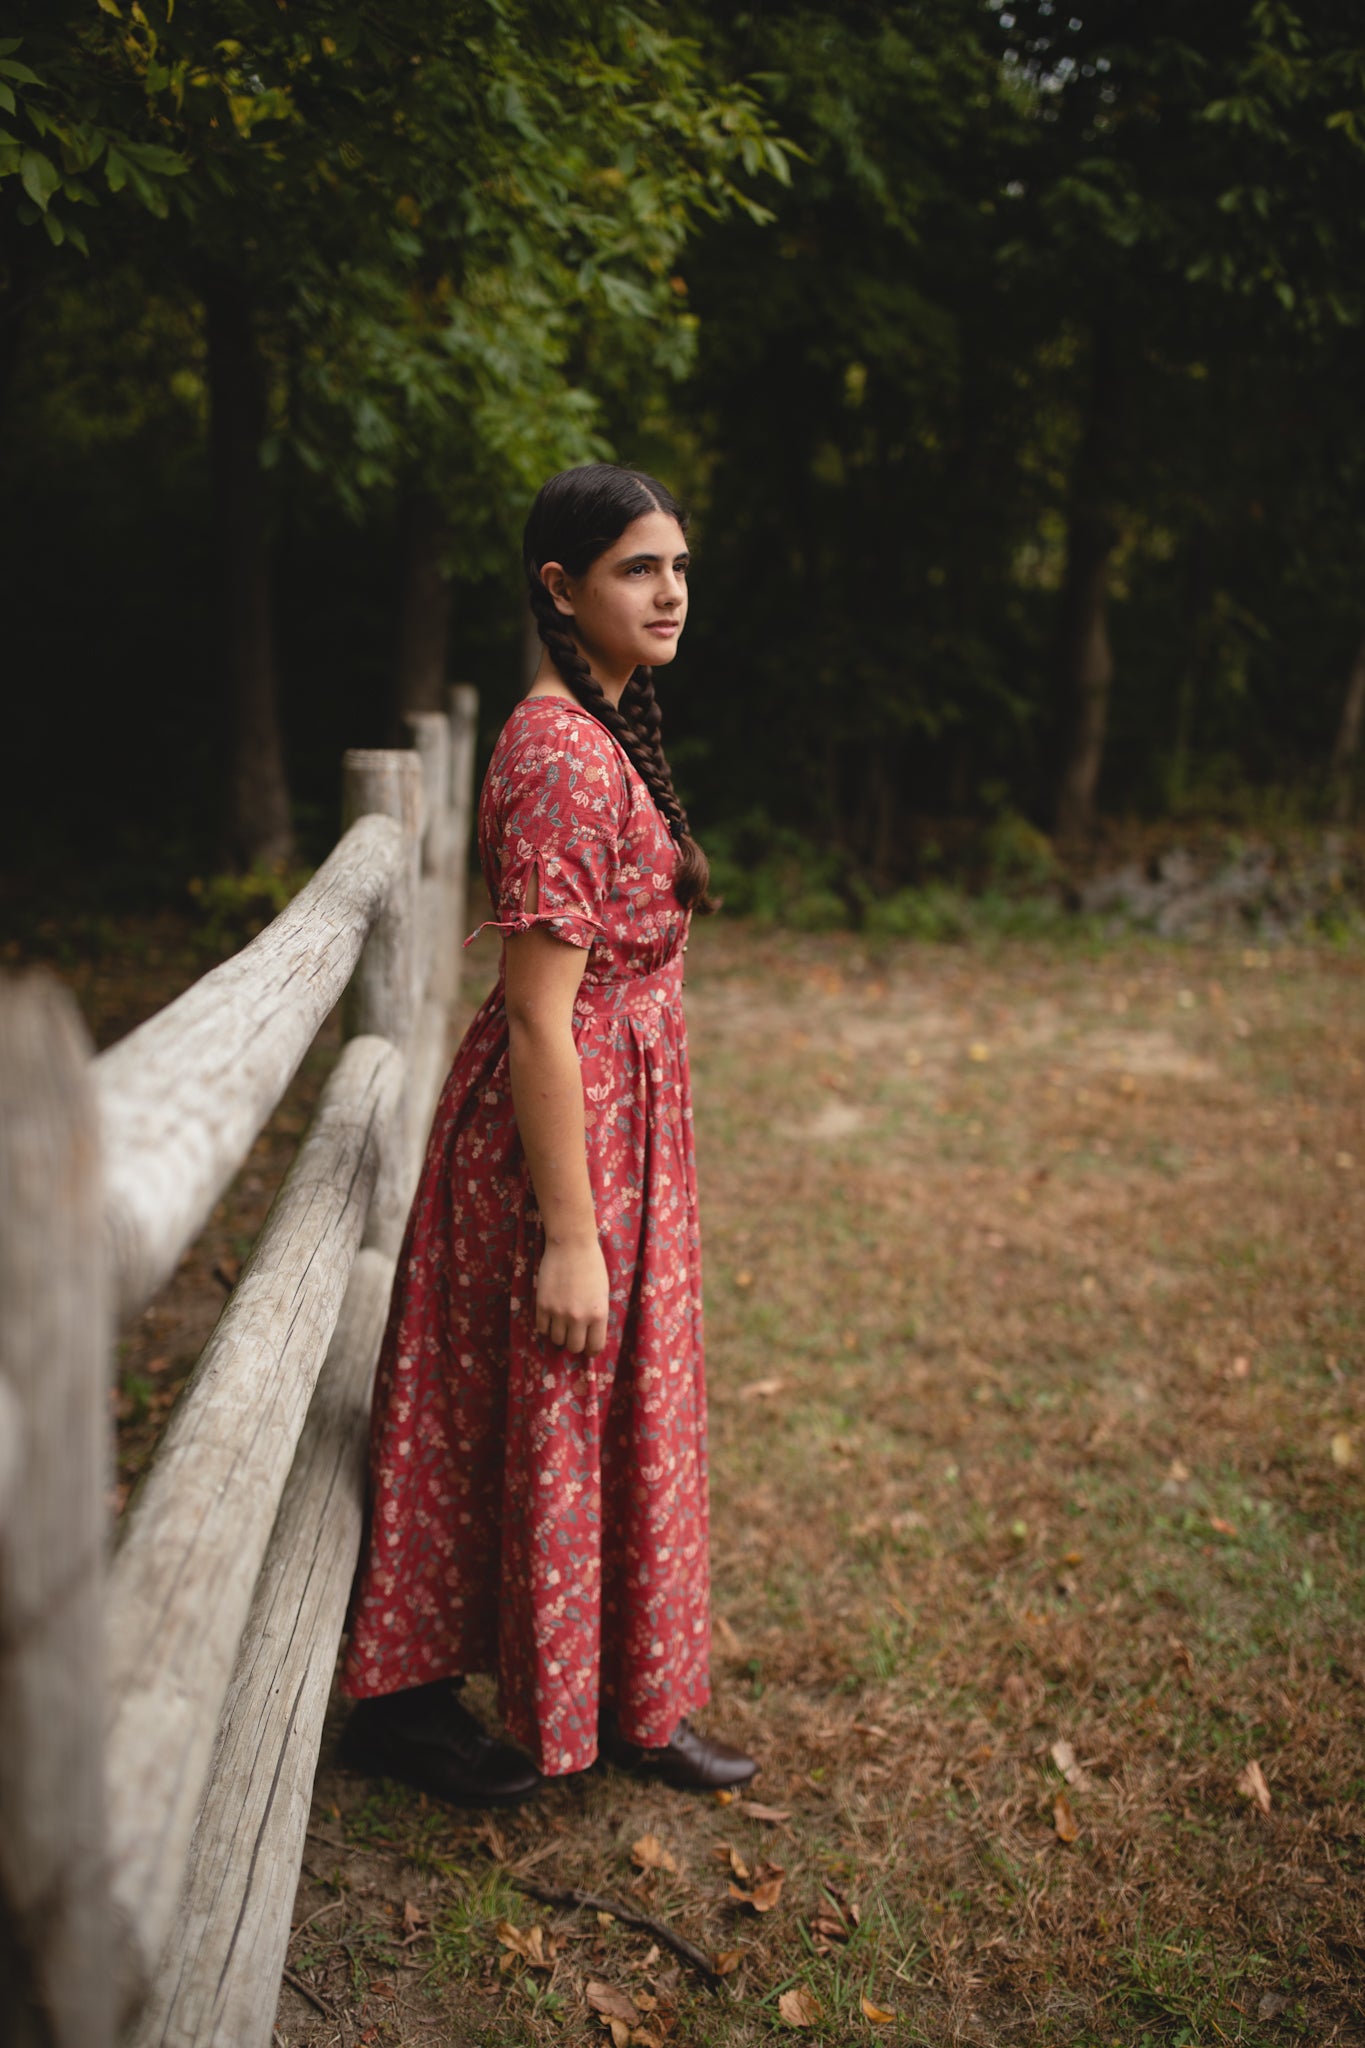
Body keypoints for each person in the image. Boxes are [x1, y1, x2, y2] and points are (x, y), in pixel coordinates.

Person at [338, 463, 757, 1807]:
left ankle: (632, 1693)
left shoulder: (613, 723)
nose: (670, 592)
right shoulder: (559, 753)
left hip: (629, 1122)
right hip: (557, 1142)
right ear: (559, 589)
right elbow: (532, 1015)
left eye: (679, 567)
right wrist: (569, 1237)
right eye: (639, 569)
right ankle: (407, 1710)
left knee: (620, 1406)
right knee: (548, 1398)